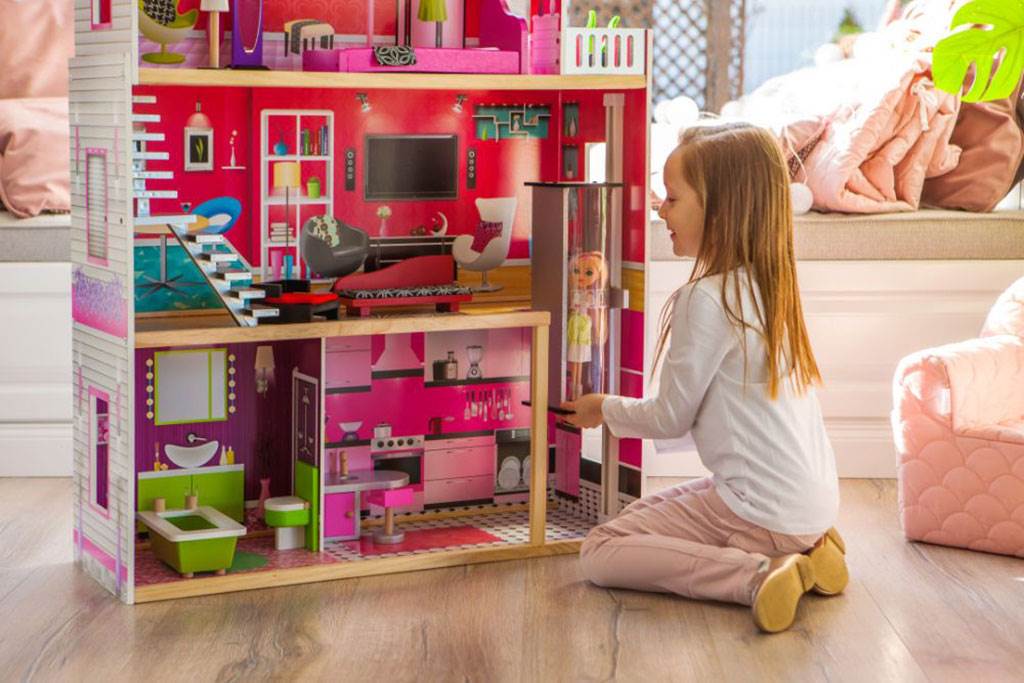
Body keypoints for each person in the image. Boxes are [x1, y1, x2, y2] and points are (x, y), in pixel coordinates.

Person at [562, 122, 847, 634]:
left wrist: (602, 408)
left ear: (720, 210)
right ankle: (808, 548)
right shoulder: (768, 286)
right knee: (643, 517)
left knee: (601, 548)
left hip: (762, 513)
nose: (660, 210)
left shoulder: (706, 300)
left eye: (672, 199)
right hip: (812, 503)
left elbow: (670, 418)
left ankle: (758, 575)